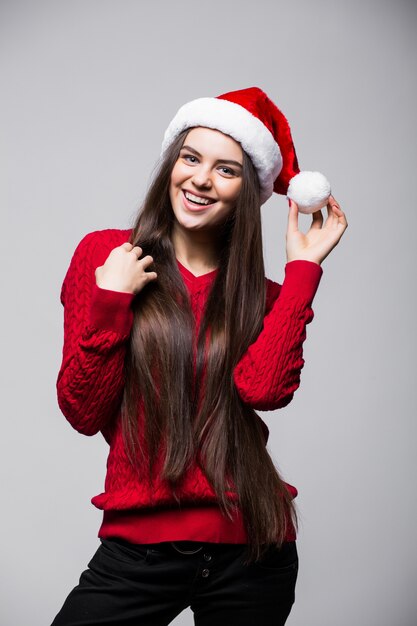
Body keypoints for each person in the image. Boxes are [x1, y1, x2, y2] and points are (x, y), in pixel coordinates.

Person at [51, 86, 347, 626]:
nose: (201, 179)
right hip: (137, 552)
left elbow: (264, 391)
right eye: (191, 158)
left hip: (254, 548)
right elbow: (82, 409)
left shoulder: (265, 297)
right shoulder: (105, 255)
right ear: (172, 164)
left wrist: (304, 270)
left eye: (226, 170)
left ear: (247, 192)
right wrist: (113, 301)